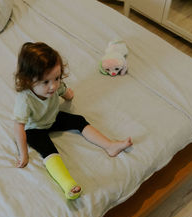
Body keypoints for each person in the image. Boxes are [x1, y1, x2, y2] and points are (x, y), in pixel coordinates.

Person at [13, 42, 133, 199]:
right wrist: (24, 155)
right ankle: (67, 184)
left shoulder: (55, 86)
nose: (53, 86)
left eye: (56, 78)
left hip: (52, 117)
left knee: (78, 120)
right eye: (46, 82)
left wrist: (68, 95)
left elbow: (64, 91)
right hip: (34, 128)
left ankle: (110, 146)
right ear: (28, 81)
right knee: (48, 149)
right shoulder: (25, 99)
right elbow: (18, 127)